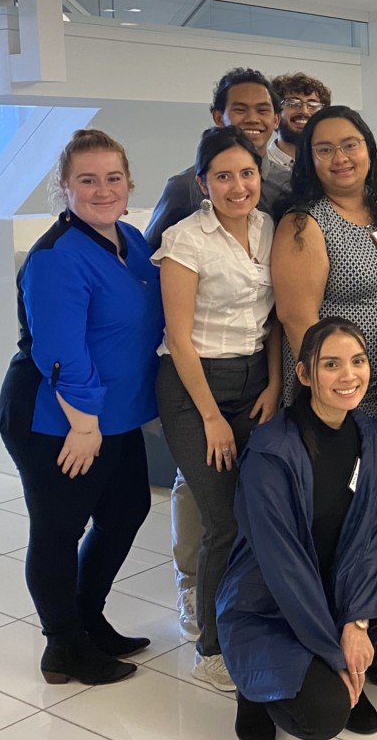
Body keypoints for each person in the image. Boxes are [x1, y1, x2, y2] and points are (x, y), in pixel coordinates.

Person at [218, 318, 377, 739]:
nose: (348, 375)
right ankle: (254, 693)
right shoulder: (271, 452)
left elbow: (371, 536)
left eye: (358, 361)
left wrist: (357, 622)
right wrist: (335, 654)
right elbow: (285, 570)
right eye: (331, 365)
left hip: (337, 591)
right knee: (324, 716)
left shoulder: (372, 436)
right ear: (304, 374)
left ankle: (351, 671)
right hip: (271, 604)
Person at [0, 129, 163, 686]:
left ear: (128, 183)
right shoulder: (56, 258)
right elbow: (61, 353)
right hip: (59, 419)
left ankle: (88, 617)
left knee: (125, 511)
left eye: (112, 178)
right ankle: (63, 643)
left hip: (113, 415)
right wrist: (85, 424)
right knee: (58, 528)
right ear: (64, 188)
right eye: (86, 180)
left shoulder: (132, 240)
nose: (102, 189)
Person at [143, 67, 293, 643]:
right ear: (203, 183)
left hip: (255, 379)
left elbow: (275, 319)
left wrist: (275, 384)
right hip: (193, 387)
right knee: (223, 520)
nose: (238, 186)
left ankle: (249, 617)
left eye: (247, 174)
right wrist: (209, 417)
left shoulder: (271, 226)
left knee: (259, 512)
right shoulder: (185, 239)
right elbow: (178, 339)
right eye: (223, 177)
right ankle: (211, 638)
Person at [272, 105, 377, 418]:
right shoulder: (304, 223)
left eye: (350, 145)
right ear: (309, 160)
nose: (340, 158)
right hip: (336, 393)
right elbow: (297, 319)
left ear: (368, 148)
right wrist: (339, 385)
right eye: (324, 150)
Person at [145, 68, 292, 249]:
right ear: (218, 117)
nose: (253, 118)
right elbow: (149, 254)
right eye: (240, 110)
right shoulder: (185, 186)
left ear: (276, 119)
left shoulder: (290, 184)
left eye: (262, 110)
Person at [268, 72, 332, 171]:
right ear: (275, 114)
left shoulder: (329, 165)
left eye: (313, 105)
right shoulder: (256, 167)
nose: (304, 111)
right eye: (293, 103)